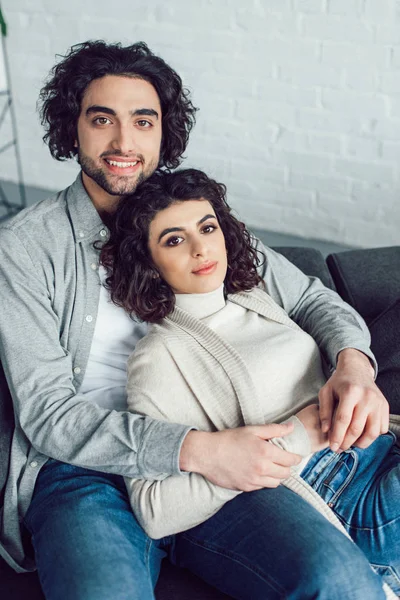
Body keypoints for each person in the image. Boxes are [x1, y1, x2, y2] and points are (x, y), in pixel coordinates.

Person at [0, 40, 391, 600]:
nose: (123, 143)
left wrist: (355, 363)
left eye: (143, 120)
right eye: (101, 119)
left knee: (338, 582)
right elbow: (49, 413)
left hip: (220, 451)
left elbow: (311, 298)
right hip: (88, 472)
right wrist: (197, 450)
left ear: (165, 131)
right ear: (73, 127)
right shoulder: (24, 247)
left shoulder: (191, 220)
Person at [100, 167, 400, 597]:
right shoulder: (159, 356)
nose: (201, 248)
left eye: (207, 227)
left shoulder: (252, 294)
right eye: (174, 239)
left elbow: (320, 303)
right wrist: (295, 437)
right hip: (337, 495)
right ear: (148, 263)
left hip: (376, 453)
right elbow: (154, 509)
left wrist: (353, 368)